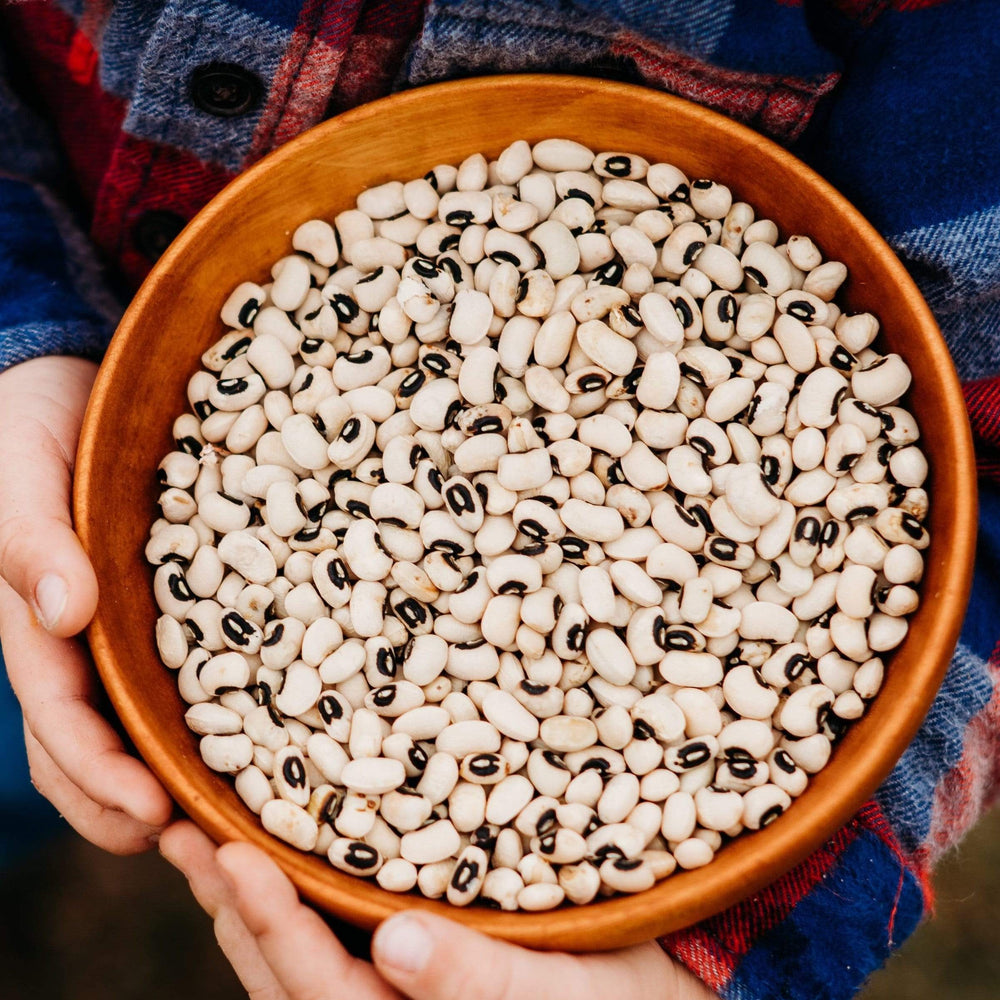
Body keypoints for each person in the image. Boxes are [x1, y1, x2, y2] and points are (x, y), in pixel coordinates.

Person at [1, 2, 999, 998]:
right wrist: (21, 344)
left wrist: (724, 961)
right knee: (33, 755)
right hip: (66, 447)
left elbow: (980, 482)